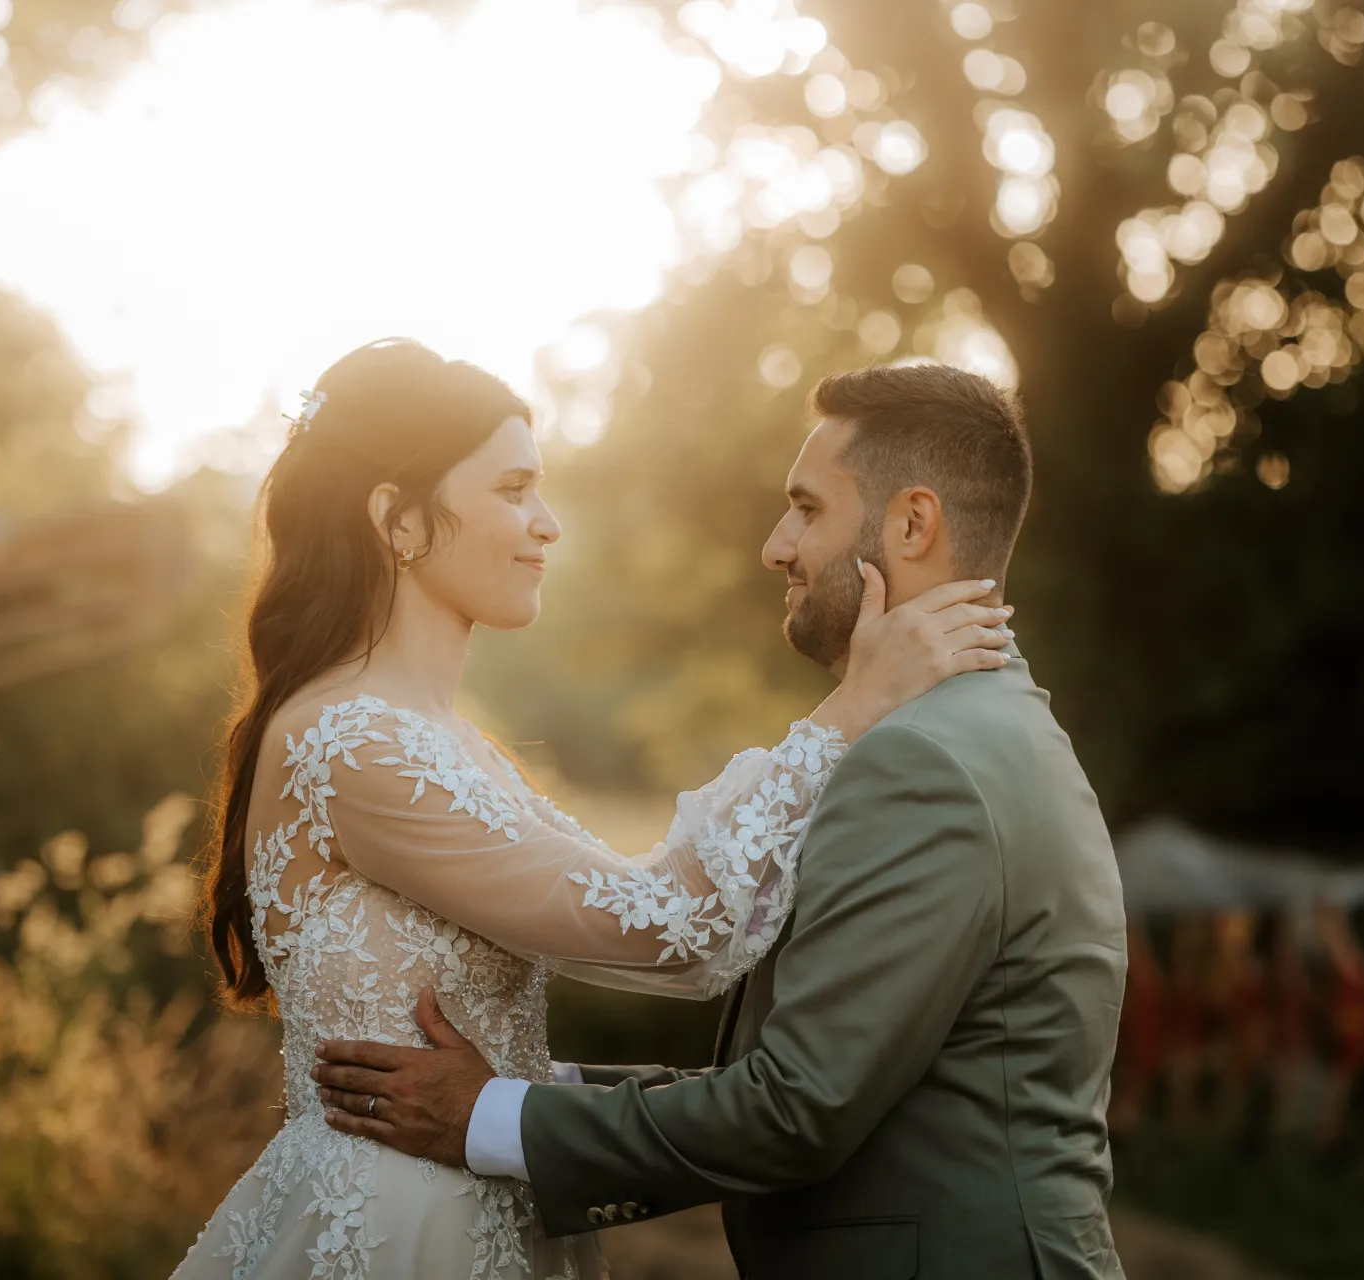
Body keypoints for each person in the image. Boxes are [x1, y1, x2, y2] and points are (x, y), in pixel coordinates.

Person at [172, 340, 1011, 1280]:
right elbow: (670, 926)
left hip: (480, 1206)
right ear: (398, 518)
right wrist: (851, 710)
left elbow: (668, 930)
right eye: (513, 489)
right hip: (389, 1231)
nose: (549, 524)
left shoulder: (449, 742)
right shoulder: (353, 743)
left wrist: (525, 1097)